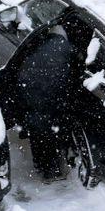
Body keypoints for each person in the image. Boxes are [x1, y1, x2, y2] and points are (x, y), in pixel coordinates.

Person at [15, 25, 76, 181]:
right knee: (52, 136)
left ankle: (43, 169)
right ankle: (54, 168)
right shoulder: (66, 50)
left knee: (38, 136)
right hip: (52, 102)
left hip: (36, 101)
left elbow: (24, 74)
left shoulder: (37, 47)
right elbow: (67, 80)